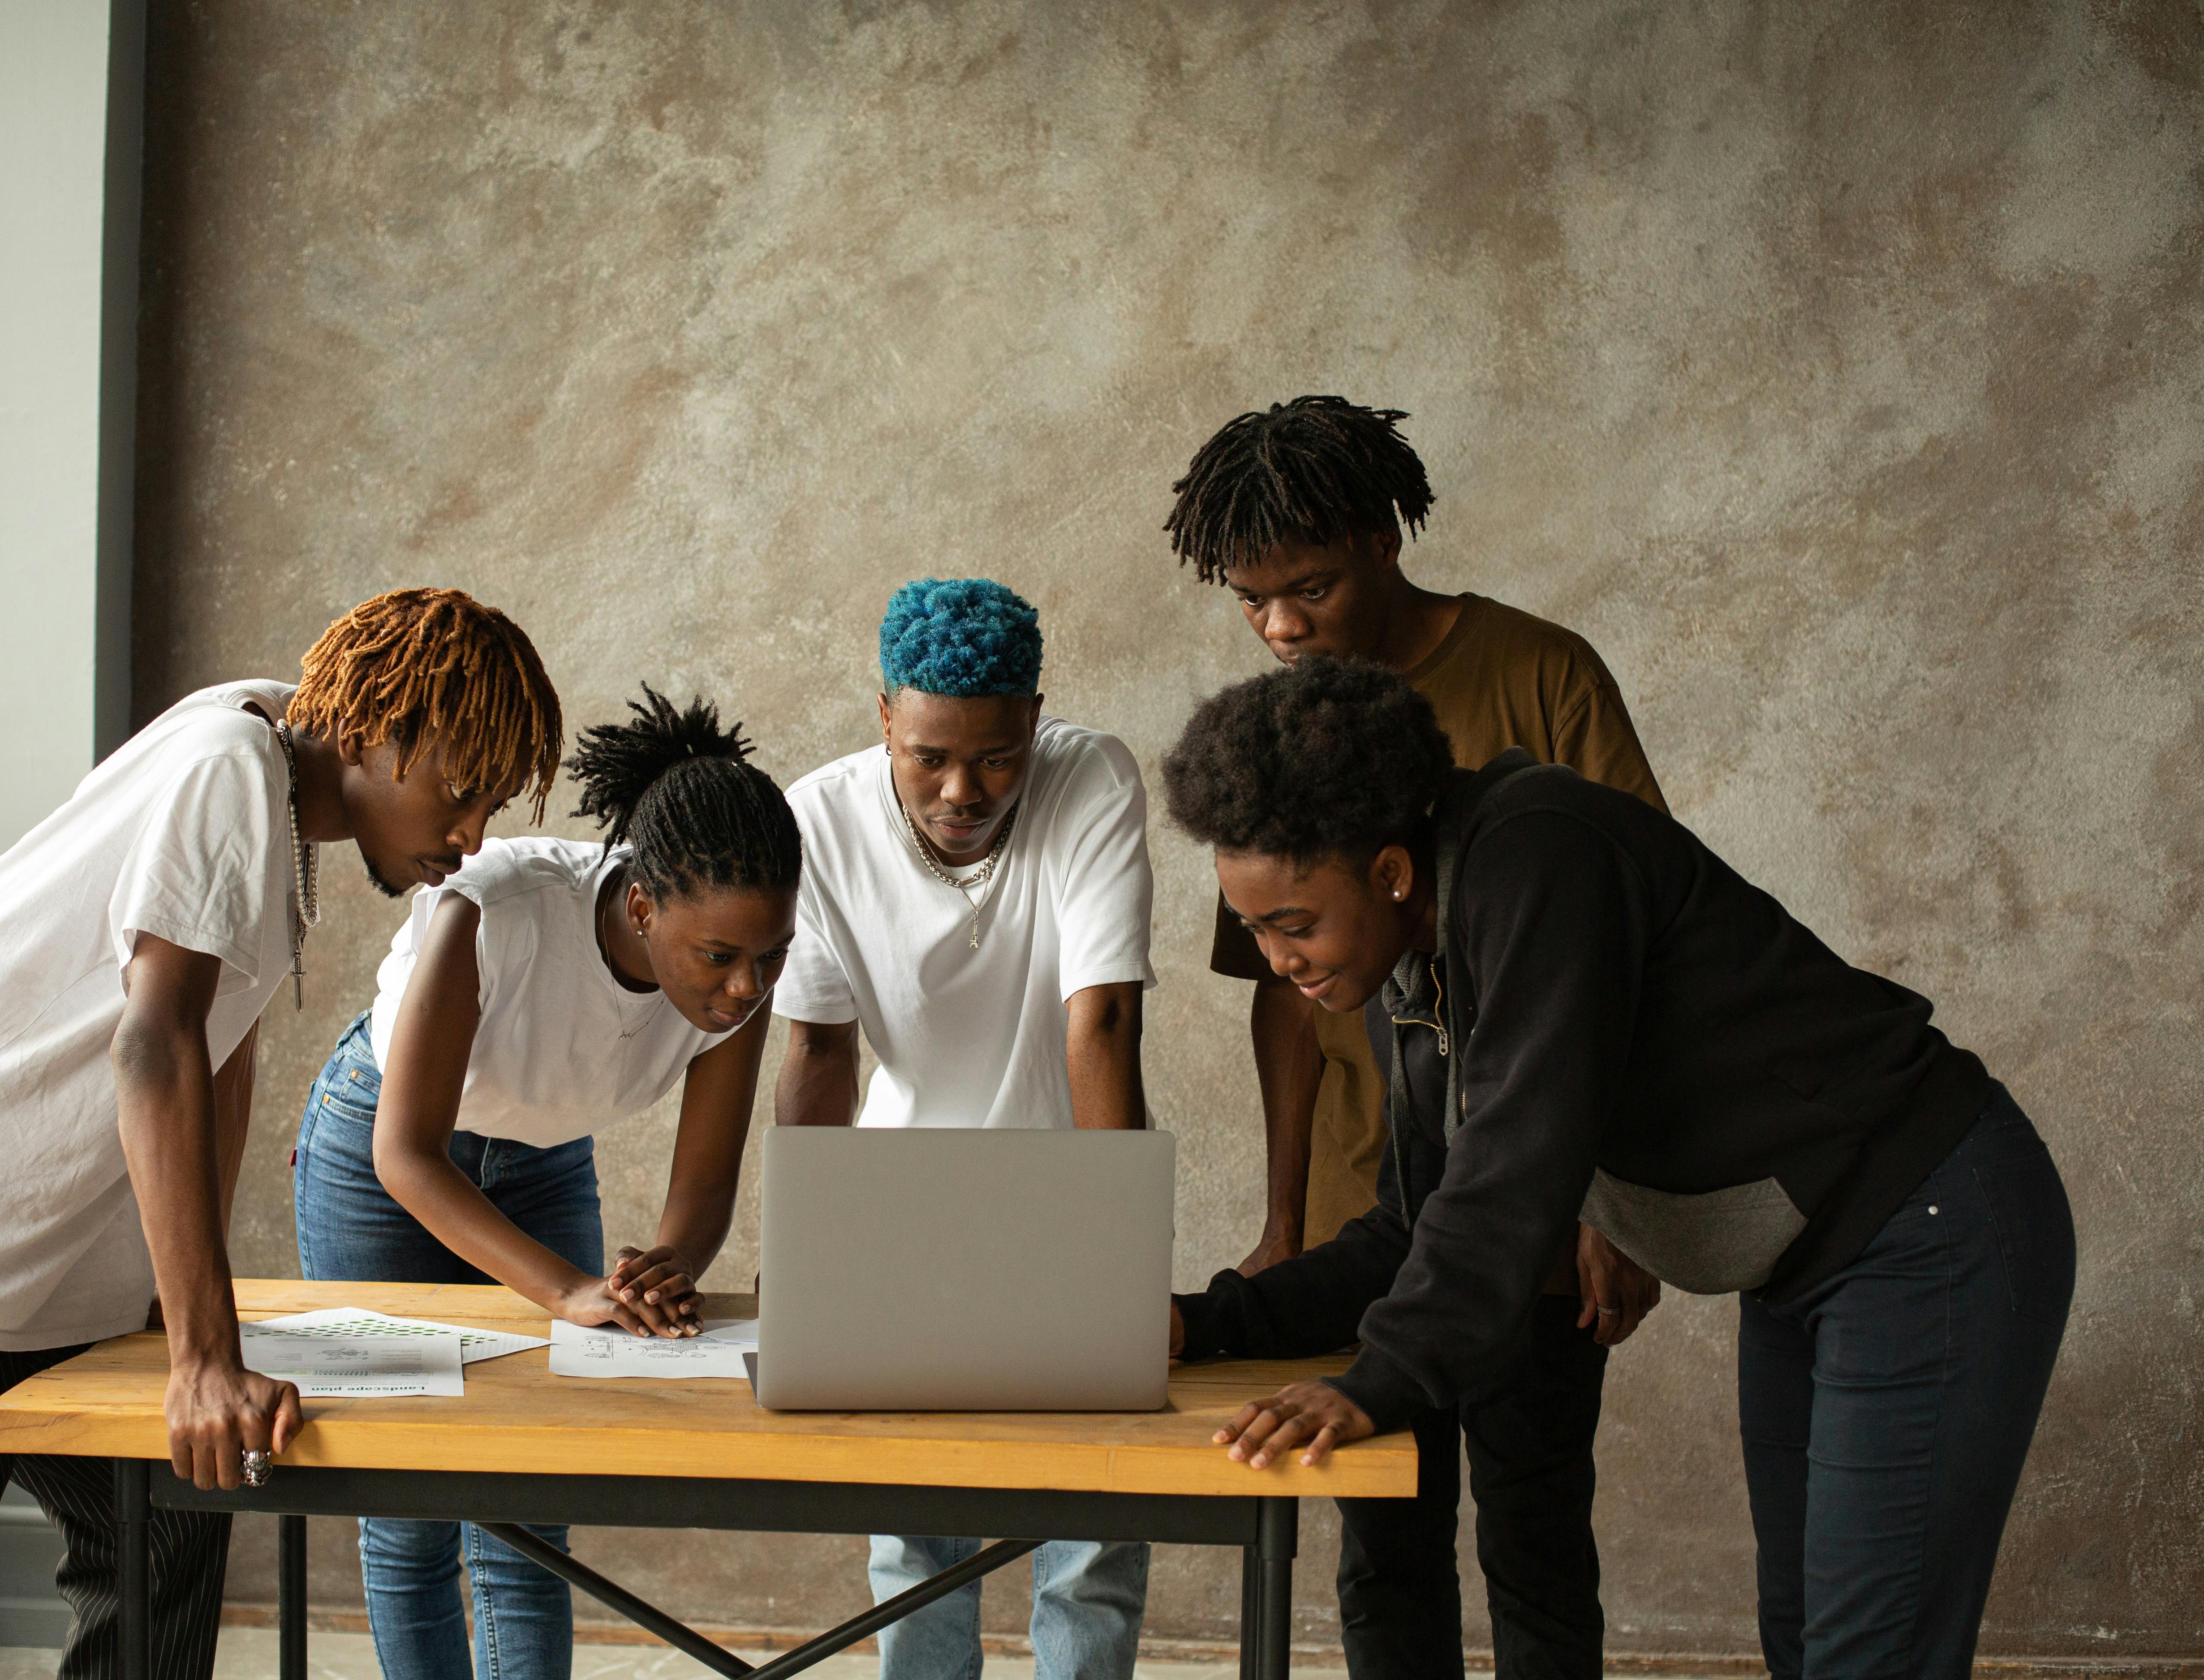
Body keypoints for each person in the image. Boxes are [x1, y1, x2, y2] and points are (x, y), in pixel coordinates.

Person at [1162, 658, 2076, 1680]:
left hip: (1925, 1224)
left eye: (1293, 923)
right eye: (1252, 927)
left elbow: (1516, 1163)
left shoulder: (1537, 849)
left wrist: (1383, 1380)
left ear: (1389, 872)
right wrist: (1203, 1323)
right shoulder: (1406, 980)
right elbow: (1412, 1230)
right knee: (1809, 1641)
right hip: (1803, 1270)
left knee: (1869, 1659)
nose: (1277, 958)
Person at [0, 587, 560, 1680]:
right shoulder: (228, 765)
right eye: (460, 789)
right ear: (369, 730)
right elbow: (155, 1042)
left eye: (492, 804)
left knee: (171, 1517)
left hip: (36, 1272)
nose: (470, 834)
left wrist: (185, 1308)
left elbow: (217, 1054)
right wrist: (203, 1359)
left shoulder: (273, 784)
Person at [1165, 395, 1666, 1680]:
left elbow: (1630, 956)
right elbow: (1274, 995)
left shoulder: (1537, 676)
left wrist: (1610, 1204)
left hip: (1533, 1191)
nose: (1280, 628)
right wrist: (1285, 1223)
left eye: (1310, 589)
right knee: (1380, 1540)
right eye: (1250, 601)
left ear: (1386, 539)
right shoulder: (1272, 735)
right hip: (1373, 1200)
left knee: (1534, 1530)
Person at [297, 685, 801, 1680]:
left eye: (771, 955)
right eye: (722, 956)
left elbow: (700, 1192)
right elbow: (408, 1155)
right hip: (382, 1152)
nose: (749, 986)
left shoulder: (739, 985)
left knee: (530, 1501)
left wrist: (665, 1269)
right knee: (410, 1508)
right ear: (646, 905)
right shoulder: (497, 910)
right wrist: (569, 1290)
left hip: (539, 1156)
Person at [774, 578, 1155, 1680]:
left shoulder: (1093, 777)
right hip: (901, 1197)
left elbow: (1105, 1017)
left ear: (1036, 719)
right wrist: (809, 1252)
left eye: (994, 756)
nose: (961, 789)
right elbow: (818, 1051)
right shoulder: (818, 818)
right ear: (883, 715)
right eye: (929, 754)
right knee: (917, 1531)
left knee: (1090, 1522)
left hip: (1070, 1182)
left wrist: (1108, 1245)